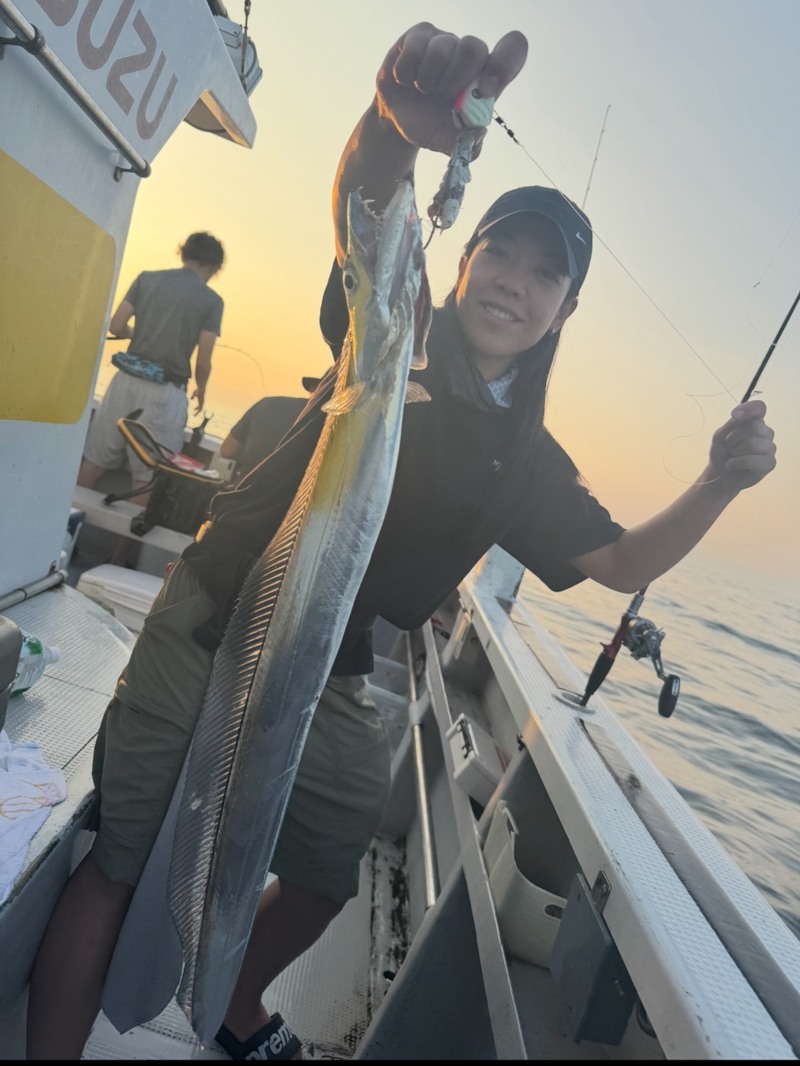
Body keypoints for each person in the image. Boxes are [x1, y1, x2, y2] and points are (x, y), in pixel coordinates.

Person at [26, 23, 777, 1062]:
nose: (514, 281)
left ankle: (234, 1008)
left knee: (328, 869)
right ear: (461, 262)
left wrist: (718, 483)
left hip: (332, 664)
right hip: (216, 610)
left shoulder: (528, 459)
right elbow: (366, 213)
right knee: (123, 856)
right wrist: (390, 127)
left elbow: (619, 566)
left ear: (565, 309)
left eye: (544, 274)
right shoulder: (394, 327)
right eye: (499, 253)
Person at [78, 231, 226, 504]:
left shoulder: (146, 279)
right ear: (214, 266)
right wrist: (202, 389)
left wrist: (139, 333)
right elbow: (203, 361)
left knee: (94, 462)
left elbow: (116, 326)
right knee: (147, 477)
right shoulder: (212, 301)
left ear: (184, 253)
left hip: (124, 383)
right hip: (164, 394)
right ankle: (126, 535)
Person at [219, 382, 320, 484]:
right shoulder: (321, 424)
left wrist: (257, 462)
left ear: (312, 388)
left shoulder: (267, 403)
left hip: (241, 490)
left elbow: (227, 450)